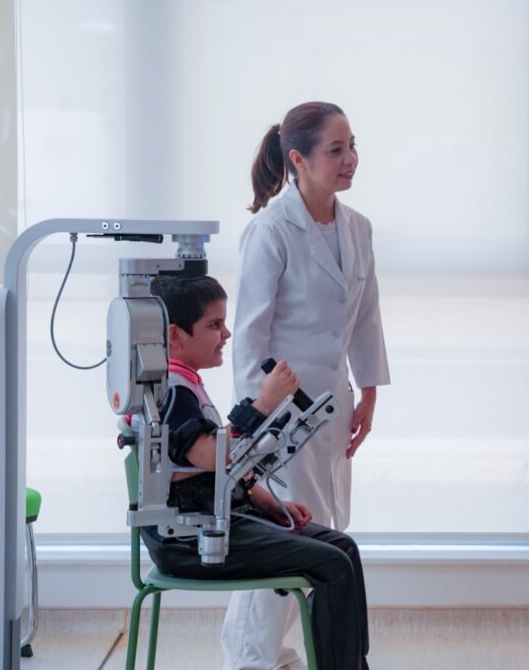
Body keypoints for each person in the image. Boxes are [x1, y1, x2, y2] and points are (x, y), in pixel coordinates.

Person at [225, 101, 390, 669]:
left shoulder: (358, 228)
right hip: (278, 416)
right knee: (284, 541)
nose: (351, 159)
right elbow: (249, 335)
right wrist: (254, 419)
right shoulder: (270, 230)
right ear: (298, 159)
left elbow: (366, 318)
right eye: (336, 150)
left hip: (333, 406)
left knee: (320, 533)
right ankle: (250, 659)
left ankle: (270, 655)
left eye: (353, 146)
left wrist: (369, 392)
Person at [141, 274, 370, 670]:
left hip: (215, 519)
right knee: (332, 565)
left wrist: (269, 504)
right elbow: (210, 456)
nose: (226, 334)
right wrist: (264, 404)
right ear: (175, 335)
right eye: (214, 325)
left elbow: (214, 468)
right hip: (188, 539)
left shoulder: (186, 386)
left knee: (344, 549)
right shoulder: (171, 391)